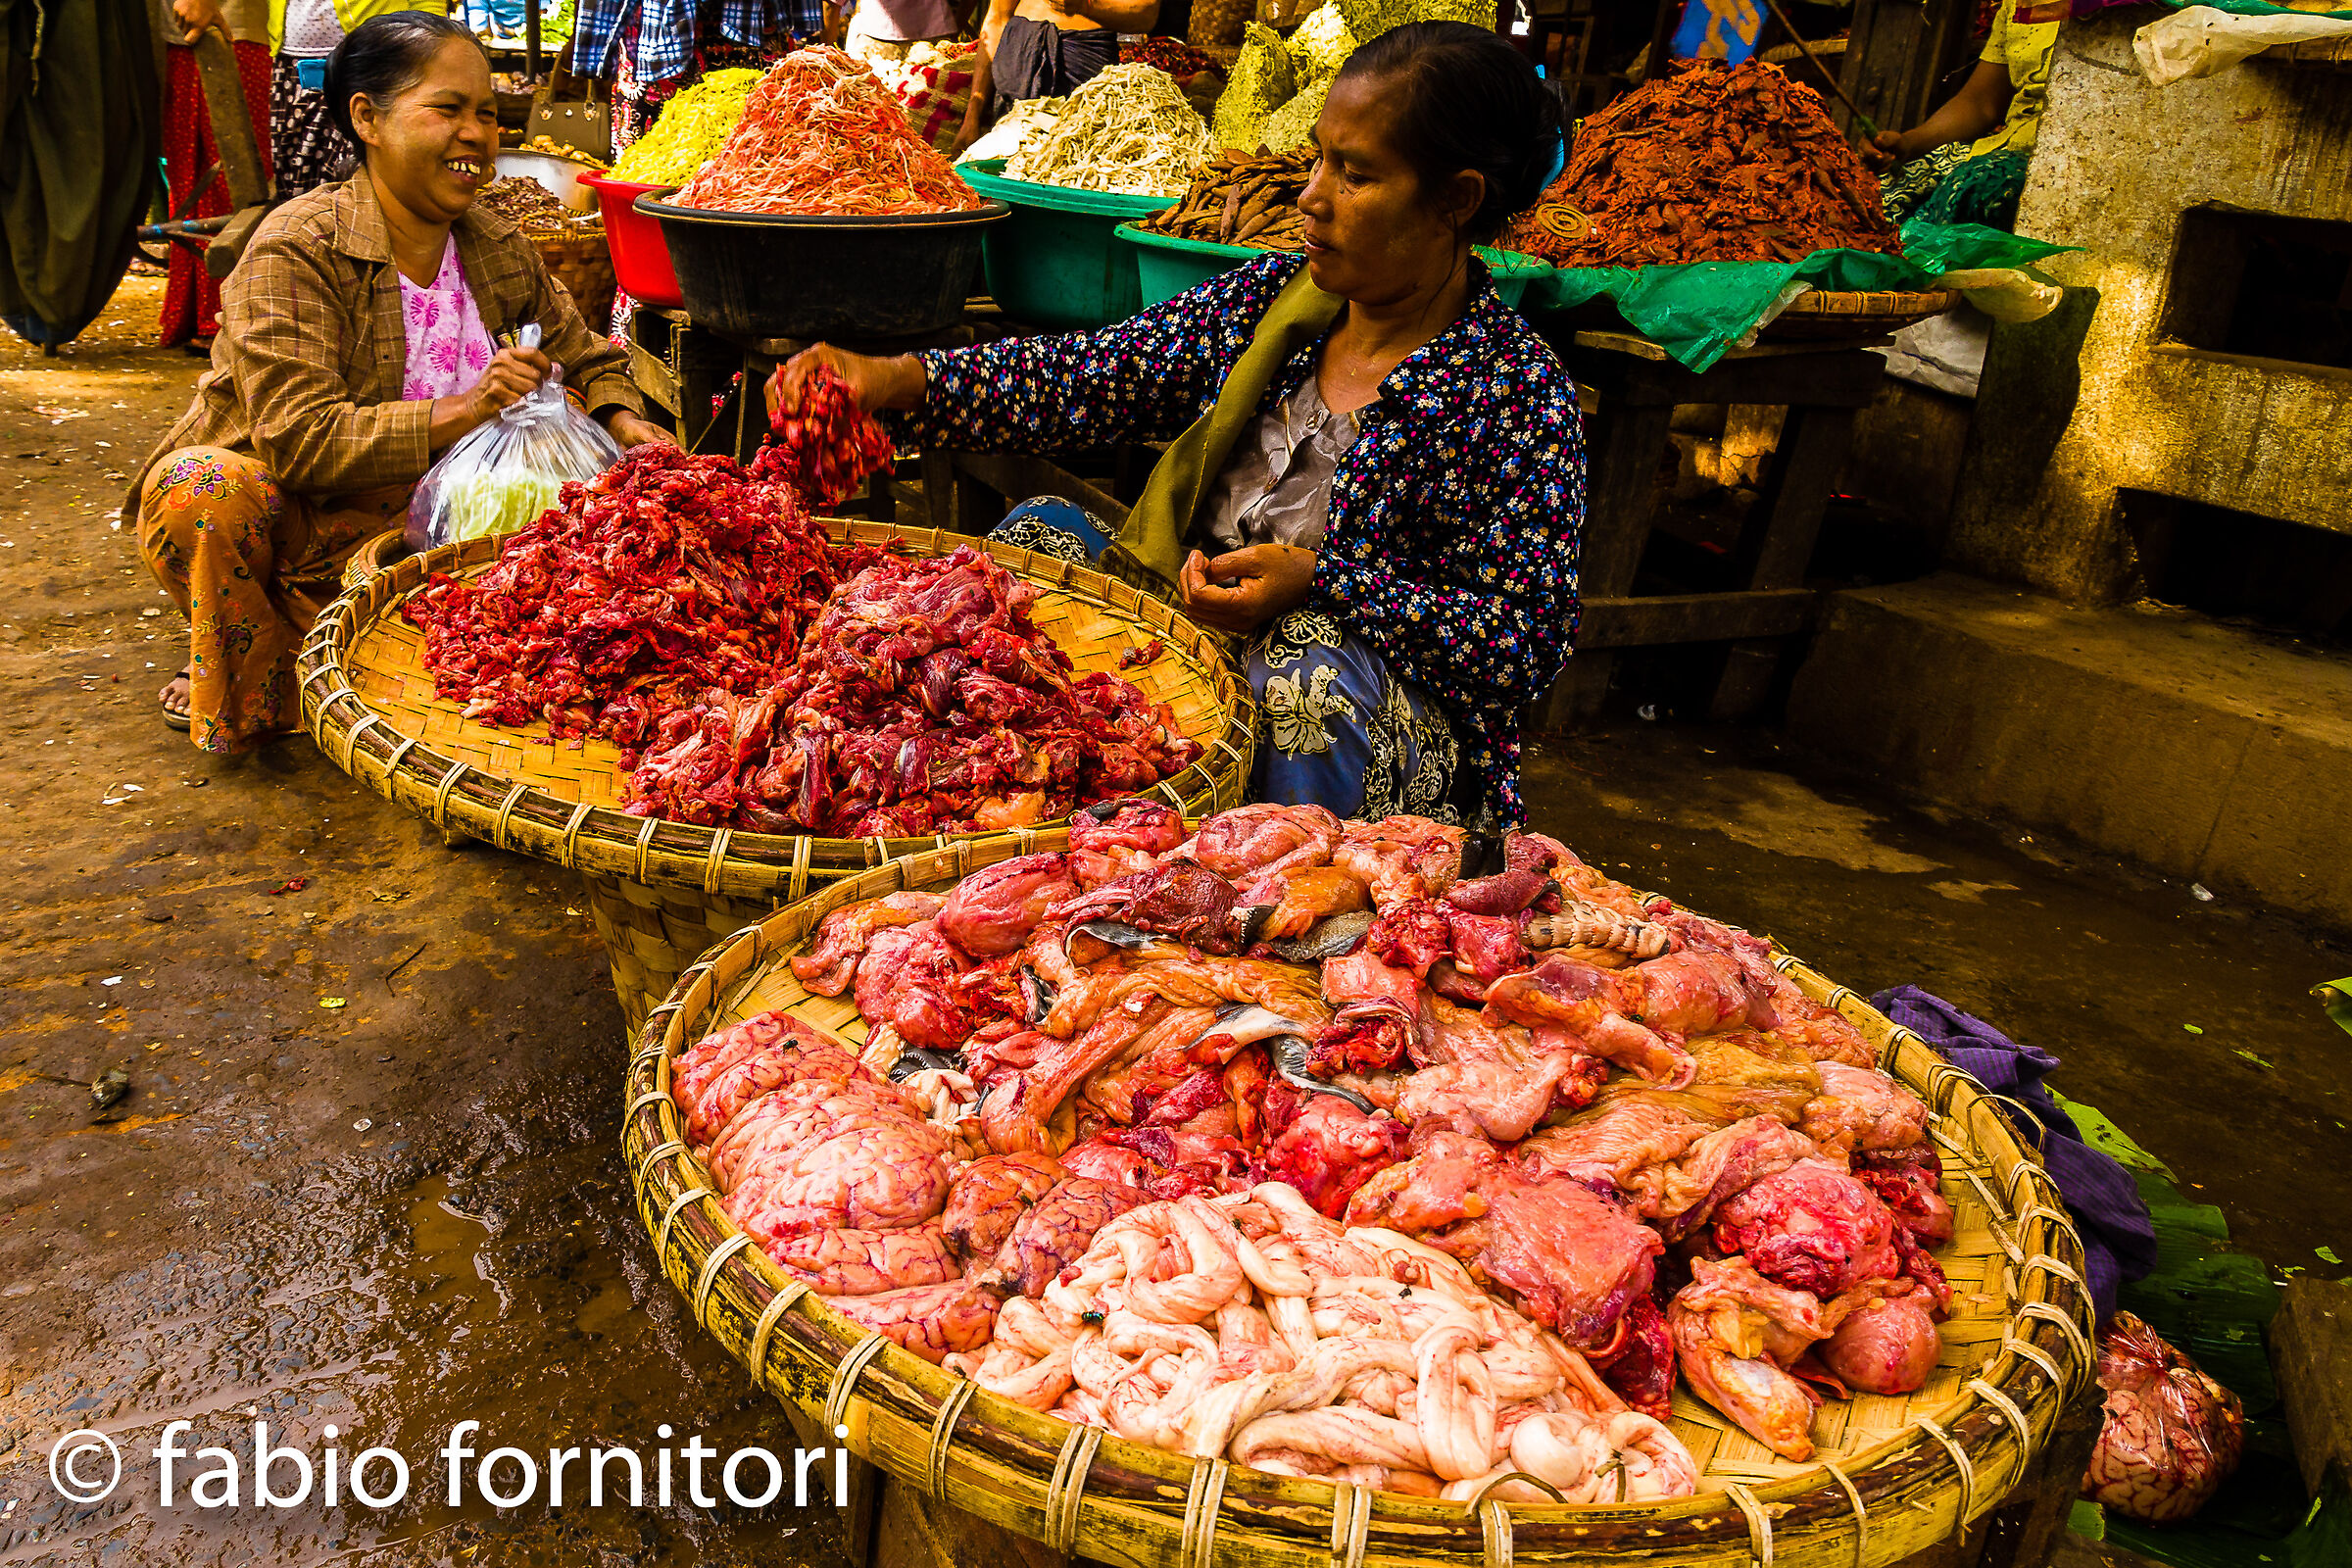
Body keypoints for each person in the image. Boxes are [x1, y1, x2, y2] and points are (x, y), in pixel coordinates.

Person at [770, 22, 1583, 828]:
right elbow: (1092, 376)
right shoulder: (1276, 302)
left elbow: (1526, 639)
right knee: (1032, 547)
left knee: (1304, 670)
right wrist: (900, 379)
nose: (1312, 195)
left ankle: (1284, 911)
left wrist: (1325, 582)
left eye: (1357, 175)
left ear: (1457, 200)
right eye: (1320, 158)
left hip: (1360, 711)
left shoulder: (1511, 390)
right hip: (1190, 628)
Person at [135, 11, 668, 751]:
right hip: (310, 531)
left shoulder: (494, 244)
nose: (477, 135)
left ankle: (321, 662)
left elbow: (592, 357)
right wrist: (470, 407)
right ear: (368, 118)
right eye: (446, 110)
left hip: (444, 539)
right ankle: (266, 668)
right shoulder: (297, 250)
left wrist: (622, 421)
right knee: (207, 490)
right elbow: (300, 442)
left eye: (486, 114)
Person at [1862, 0, 2060, 230]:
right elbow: (1980, 102)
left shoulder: (2108, 7)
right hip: (2005, 147)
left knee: (1976, 189)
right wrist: (1907, 143)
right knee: (1872, 197)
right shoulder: (2018, 4)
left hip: (2059, 159)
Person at [160, 0, 276, 349]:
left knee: (237, 182)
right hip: (176, 35)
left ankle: (229, 314)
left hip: (235, 32)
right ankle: (195, 313)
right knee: (187, 182)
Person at [974, 0, 1152, 119]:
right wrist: (972, 116)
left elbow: (1146, 14)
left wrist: (1085, 6)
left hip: (1085, 67)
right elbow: (997, 18)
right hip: (1018, 68)